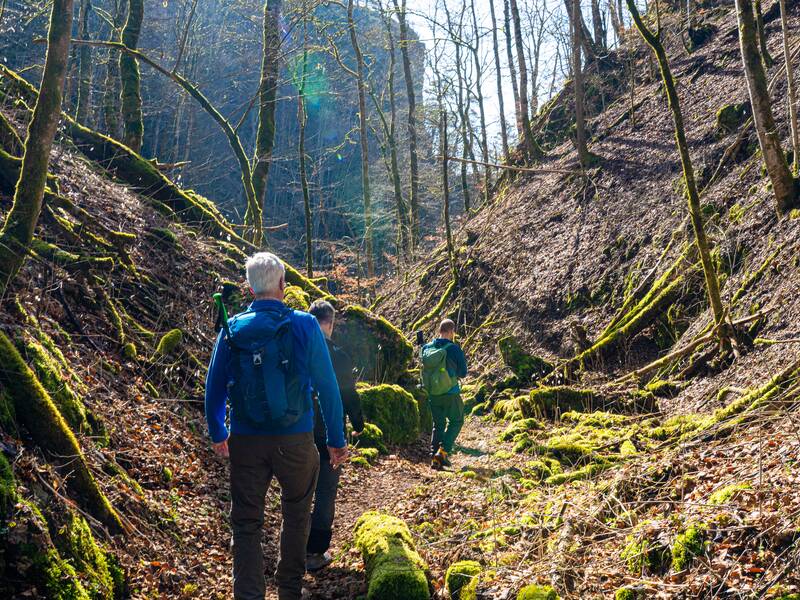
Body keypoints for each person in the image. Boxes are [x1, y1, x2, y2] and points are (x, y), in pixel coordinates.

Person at [205, 252, 348, 600]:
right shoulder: (305, 324)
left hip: (247, 441)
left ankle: (249, 595)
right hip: (296, 439)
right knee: (297, 514)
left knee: (246, 523)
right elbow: (327, 385)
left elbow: (214, 387)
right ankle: (288, 591)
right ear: (283, 284)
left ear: (251, 288)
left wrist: (219, 433)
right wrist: (335, 439)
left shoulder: (233, 327)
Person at [305, 299, 365, 572]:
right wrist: (359, 422)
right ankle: (315, 552)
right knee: (326, 491)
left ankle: (294, 548)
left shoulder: (297, 350)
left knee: (298, 491)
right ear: (330, 323)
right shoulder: (338, 355)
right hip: (331, 432)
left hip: (299, 430)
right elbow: (349, 394)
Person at [421, 319, 468, 470]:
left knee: (439, 424)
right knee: (457, 420)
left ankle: (433, 456)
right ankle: (441, 454)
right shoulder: (454, 349)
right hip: (450, 393)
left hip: (432, 394)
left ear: (439, 331)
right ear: (450, 331)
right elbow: (463, 373)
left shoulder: (427, 348)